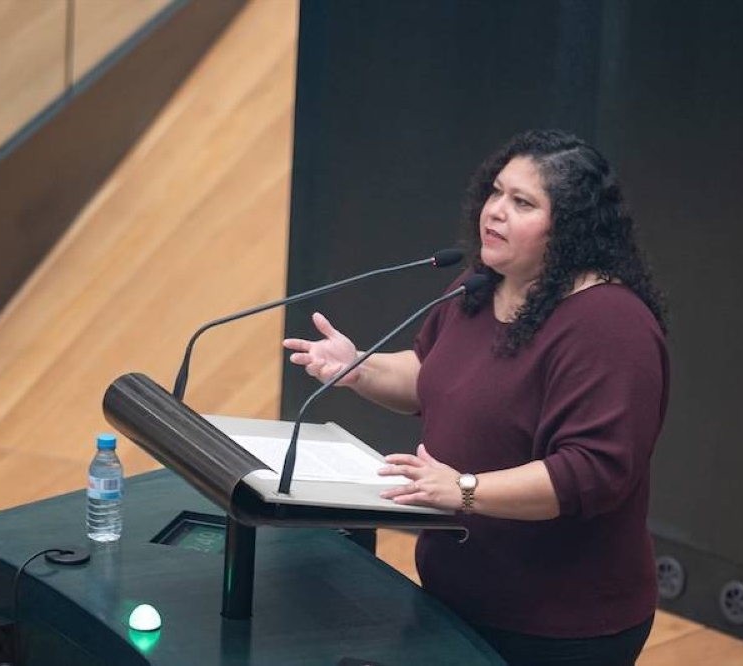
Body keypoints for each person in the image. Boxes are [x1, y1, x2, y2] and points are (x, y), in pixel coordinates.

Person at [284, 129, 670, 666]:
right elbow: (428, 374)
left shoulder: (610, 325)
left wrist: (463, 490)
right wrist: (358, 368)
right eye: (495, 192)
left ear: (572, 228)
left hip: (560, 626)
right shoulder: (481, 285)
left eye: (522, 202)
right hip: (455, 597)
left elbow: (588, 474)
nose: (495, 212)